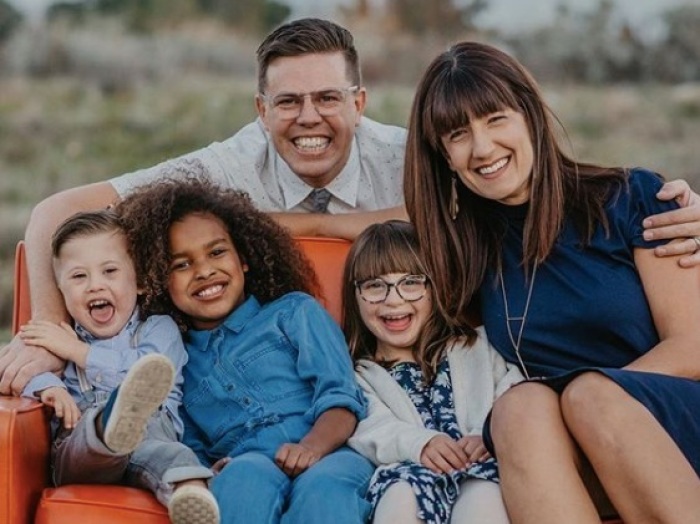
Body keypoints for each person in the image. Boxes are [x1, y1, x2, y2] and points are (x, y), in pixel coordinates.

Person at [2, 17, 699, 396]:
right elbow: (57, 209)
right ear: (260, 109)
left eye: (329, 98)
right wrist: (42, 342)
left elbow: (528, 182)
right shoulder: (224, 166)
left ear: (359, 103)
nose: (310, 118)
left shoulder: (418, 160)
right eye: (289, 102)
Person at [403, 41, 700, 523]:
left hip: (671, 423)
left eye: (495, 118)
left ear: (529, 117)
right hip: (564, 442)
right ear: (444, 158)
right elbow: (385, 225)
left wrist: (585, 402)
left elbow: (692, 348)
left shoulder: (633, 198)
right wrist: (287, 223)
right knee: (518, 409)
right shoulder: (469, 247)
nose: (482, 148)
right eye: (458, 134)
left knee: (592, 396)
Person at [114, 173, 374, 524]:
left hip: (330, 451)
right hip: (248, 460)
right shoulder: (177, 359)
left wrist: (311, 447)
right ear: (160, 281)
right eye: (182, 264)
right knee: (240, 481)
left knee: (324, 491)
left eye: (217, 252)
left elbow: (341, 398)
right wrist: (207, 468)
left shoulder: (294, 312)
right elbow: (188, 437)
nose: (205, 270)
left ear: (244, 260)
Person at [18, 209, 219, 524]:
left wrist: (78, 352)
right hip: (80, 448)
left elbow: (156, 371)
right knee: (87, 434)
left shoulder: (158, 329)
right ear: (61, 292)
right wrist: (47, 385)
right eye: (78, 276)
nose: (95, 286)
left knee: (168, 454)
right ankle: (109, 426)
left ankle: (190, 492)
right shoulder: (56, 334)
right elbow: (15, 370)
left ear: (139, 283)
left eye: (109, 271)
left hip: (151, 431)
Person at [343, 220, 523, 524]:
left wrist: (490, 434)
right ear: (355, 296)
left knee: (483, 498)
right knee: (398, 499)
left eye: (411, 282)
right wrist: (419, 443)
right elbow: (369, 426)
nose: (394, 299)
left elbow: (514, 390)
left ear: (435, 287)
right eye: (375, 286)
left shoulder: (477, 345)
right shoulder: (357, 373)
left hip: (479, 465)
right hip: (407, 470)